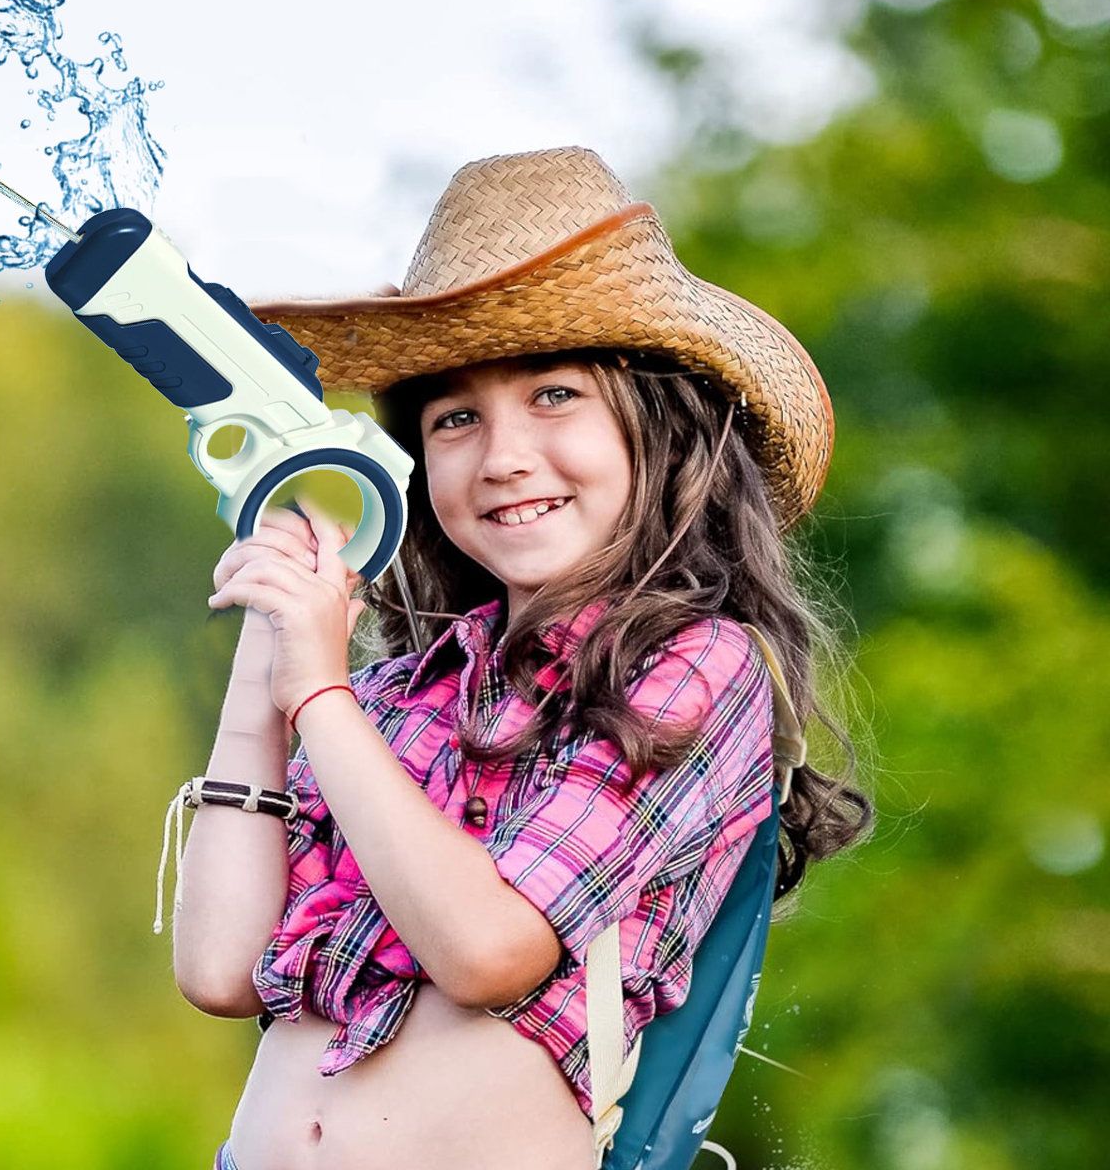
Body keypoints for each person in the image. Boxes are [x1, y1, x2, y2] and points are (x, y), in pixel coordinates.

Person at [156, 146, 873, 1170]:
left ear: (656, 429)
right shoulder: (392, 701)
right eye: (456, 418)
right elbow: (222, 968)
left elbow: (489, 952)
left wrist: (317, 691)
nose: (501, 457)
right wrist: (272, 659)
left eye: (553, 396)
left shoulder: (697, 668)